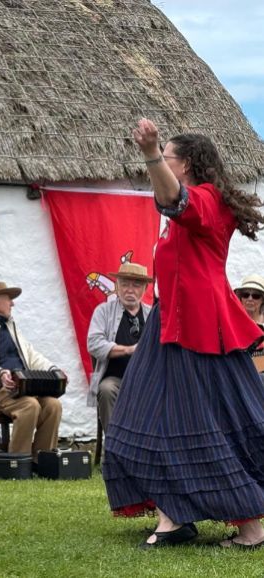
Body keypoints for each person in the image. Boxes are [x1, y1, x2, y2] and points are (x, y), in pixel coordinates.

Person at [103, 118, 264, 549]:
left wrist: (152, 153)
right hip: (170, 324)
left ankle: (251, 528)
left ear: (186, 164)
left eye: (169, 158)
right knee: (142, 420)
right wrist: (158, 159)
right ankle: (173, 517)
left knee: (212, 424)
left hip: (200, 325)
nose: (160, 165)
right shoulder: (192, 203)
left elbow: (176, 200)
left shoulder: (209, 202)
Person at [0, 282, 62, 460]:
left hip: (25, 387)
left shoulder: (12, 327)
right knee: (30, 405)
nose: (12, 304)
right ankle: (18, 461)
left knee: (54, 405)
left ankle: (42, 460)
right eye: (9, 300)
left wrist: (53, 369)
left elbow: (31, 355)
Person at [86, 262, 152, 432]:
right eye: (124, 284)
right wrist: (129, 350)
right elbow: (93, 343)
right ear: (117, 286)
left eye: (136, 285)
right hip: (116, 379)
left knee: (173, 390)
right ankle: (115, 450)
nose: (130, 290)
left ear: (144, 288)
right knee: (106, 390)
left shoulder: (152, 314)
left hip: (146, 380)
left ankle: (154, 451)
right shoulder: (103, 311)